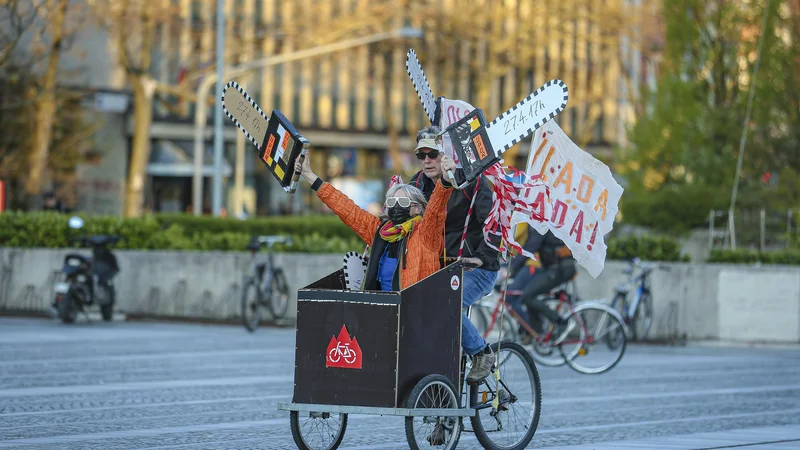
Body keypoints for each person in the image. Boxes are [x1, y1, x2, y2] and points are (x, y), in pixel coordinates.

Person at [408, 126, 499, 383]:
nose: (426, 160)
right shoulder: (416, 184)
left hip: (475, 268)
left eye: (433, 154)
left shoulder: (474, 182)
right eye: (421, 155)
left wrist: (482, 257)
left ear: (447, 154)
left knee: (446, 304)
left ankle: (482, 353)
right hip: (436, 269)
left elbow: (496, 223)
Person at [506, 225, 576, 345]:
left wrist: (511, 269)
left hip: (559, 269)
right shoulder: (542, 223)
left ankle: (560, 321)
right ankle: (537, 330)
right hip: (553, 268)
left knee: (528, 295)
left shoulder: (544, 225)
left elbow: (530, 247)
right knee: (528, 294)